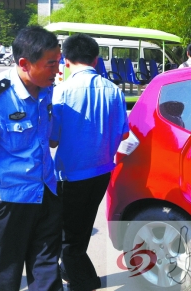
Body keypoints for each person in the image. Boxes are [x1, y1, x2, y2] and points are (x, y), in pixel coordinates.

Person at [0, 26, 62, 291]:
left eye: (59, 61)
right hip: (9, 201)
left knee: (47, 274)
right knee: (3, 279)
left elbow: (50, 138)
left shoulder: (48, 90)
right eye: (51, 64)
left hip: (46, 192)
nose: (57, 69)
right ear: (24, 63)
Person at [50, 33, 129, 291]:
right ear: (96, 60)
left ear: (66, 60)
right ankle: (73, 274)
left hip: (71, 175)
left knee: (66, 237)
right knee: (82, 227)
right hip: (102, 171)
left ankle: (84, 282)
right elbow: (123, 133)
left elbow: (52, 140)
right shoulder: (114, 91)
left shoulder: (61, 92)